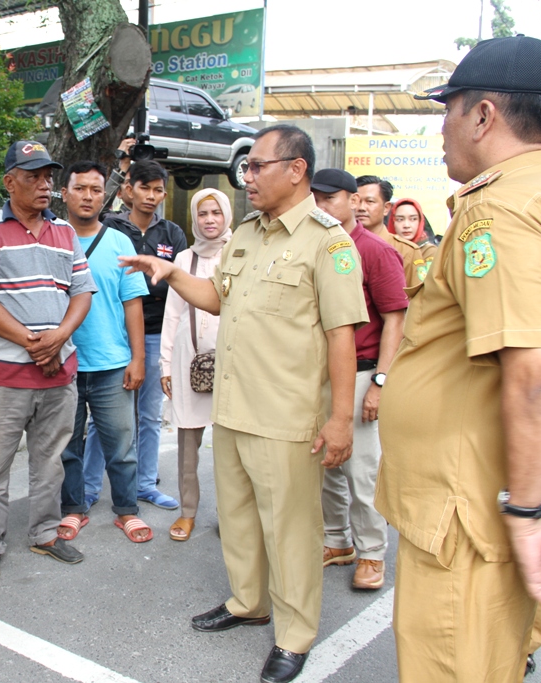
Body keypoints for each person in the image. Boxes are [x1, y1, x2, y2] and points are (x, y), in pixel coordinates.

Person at [120, 125, 368, 683]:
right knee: (237, 518)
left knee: (290, 530)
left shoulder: (328, 242)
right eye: (247, 167)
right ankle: (248, 602)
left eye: (257, 166)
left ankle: (295, 633)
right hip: (232, 406)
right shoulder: (248, 234)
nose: (246, 176)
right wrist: (173, 273)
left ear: (296, 169)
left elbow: (341, 336)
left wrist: (339, 420)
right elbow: (217, 298)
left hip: (286, 416)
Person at [376, 35, 541, 681]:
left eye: (447, 110)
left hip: (467, 507)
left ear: (482, 115)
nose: (441, 130)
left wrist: (525, 512)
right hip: (490, 489)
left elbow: (537, 373)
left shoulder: (499, 211)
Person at [0, 140, 95, 581]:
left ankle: (45, 533)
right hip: (4, 375)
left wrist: (58, 339)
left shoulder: (65, 233)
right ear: (9, 182)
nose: (44, 185)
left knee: (51, 461)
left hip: (59, 373)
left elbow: (82, 294)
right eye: (33, 176)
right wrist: (36, 344)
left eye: (47, 177)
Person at [311, 169, 407, 591]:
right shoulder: (316, 246)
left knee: (363, 472)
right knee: (327, 463)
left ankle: (372, 552)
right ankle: (337, 540)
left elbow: (395, 320)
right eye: (315, 198)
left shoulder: (375, 250)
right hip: (320, 374)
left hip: (363, 371)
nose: (321, 206)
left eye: (330, 198)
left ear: (352, 201)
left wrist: (381, 382)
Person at [56, 160, 150, 544]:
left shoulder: (120, 243)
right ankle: (73, 508)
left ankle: (127, 511)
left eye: (96, 190)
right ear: (65, 193)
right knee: (67, 447)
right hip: (64, 363)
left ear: (104, 196)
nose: (88, 196)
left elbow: (133, 304)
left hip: (112, 364)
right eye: (80, 188)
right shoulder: (52, 238)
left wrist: (138, 358)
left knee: (122, 446)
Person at [86, 159, 186, 511]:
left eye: (158, 190)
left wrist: (151, 286)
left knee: (150, 415)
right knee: (105, 416)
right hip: (114, 334)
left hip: (156, 333)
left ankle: (145, 484)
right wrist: (151, 285)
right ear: (129, 190)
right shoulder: (111, 228)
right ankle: (88, 487)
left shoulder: (172, 234)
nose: (151, 196)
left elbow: (175, 283)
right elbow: (108, 281)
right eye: (145, 188)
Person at [159, 188, 232, 542]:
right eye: (203, 214)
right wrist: (165, 365)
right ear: (194, 218)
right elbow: (172, 315)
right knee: (188, 445)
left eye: (216, 212)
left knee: (231, 449)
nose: (210, 220)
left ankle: (231, 517)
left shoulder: (240, 253)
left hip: (234, 362)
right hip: (189, 361)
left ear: (227, 215)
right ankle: (188, 512)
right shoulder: (184, 258)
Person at [355, 175, 427, 288]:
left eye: (370, 201)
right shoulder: (343, 244)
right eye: (356, 201)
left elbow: (418, 295)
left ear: (386, 208)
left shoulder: (406, 251)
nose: (361, 208)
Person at [387, 198, 437, 281]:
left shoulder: (429, 251)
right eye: (400, 219)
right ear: (393, 222)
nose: (406, 225)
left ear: (420, 221)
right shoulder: (385, 249)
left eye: (413, 219)